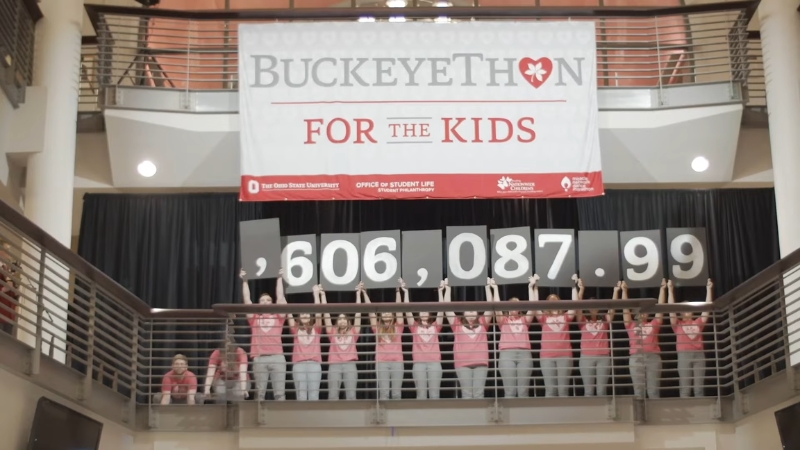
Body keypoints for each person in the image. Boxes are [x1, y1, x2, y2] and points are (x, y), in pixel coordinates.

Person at [241, 268, 287, 401]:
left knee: (280, 393)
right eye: (262, 300)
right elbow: (247, 301)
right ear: (259, 304)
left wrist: (279, 278)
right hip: (260, 358)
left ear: (272, 303)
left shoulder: (278, 317)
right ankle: (259, 421)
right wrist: (244, 281)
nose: (266, 302)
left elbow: (280, 298)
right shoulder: (254, 318)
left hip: (277, 357)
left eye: (268, 300)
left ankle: (281, 419)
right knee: (260, 393)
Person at [443, 278, 493, 399]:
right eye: (468, 311)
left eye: (473, 310)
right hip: (462, 364)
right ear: (464, 313)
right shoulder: (457, 323)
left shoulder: (483, 322)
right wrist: (448, 289)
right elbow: (447, 308)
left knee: (478, 393)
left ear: (477, 313)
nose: (471, 313)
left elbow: (491, 307)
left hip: (481, 363)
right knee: (466, 394)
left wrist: (488, 287)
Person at [533, 274, 577, 397]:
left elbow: (575, 305)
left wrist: (574, 286)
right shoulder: (544, 318)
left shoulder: (566, 317)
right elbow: (534, 306)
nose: (553, 300)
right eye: (550, 298)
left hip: (565, 355)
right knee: (550, 390)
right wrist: (535, 286)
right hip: (547, 356)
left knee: (563, 390)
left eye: (555, 298)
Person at [668, 278, 713, 398]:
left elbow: (707, 309)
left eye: (689, 308)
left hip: (699, 355)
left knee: (699, 388)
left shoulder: (698, 322)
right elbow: (671, 310)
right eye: (684, 309)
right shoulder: (677, 324)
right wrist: (670, 290)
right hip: (684, 355)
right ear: (681, 312)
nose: (687, 311)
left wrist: (709, 289)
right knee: (685, 387)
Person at [492, 276, 536, 398]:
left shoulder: (524, 320)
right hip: (507, 354)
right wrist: (495, 288)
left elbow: (533, 307)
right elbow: (497, 307)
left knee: (523, 392)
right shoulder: (503, 320)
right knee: (509, 391)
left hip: (524, 354)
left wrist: (530, 287)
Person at [622, 279, 666, 399]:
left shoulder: (653, 324)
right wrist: (624, 291)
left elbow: (660, 309)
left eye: (645, 311)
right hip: (636, 358)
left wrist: (662, 289)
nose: (642, 314)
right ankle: (639, 417)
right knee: (638, 392)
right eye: (639, 312)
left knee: (653, 391)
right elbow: (625, 309)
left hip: (653, 357)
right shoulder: (631, 325)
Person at [403, 278, 444, 400]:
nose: (424, 312)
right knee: (421, 395)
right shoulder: (414, 326)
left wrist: (440, 292)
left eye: (426, 310)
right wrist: (405, 292)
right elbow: (407, 311)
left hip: (435, 363)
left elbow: (442, 310)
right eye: (422, 310)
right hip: (419, 363)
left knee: (434, 395)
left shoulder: (436, 326)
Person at [576, 279, 618, 397]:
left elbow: (613, 307)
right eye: (590, 306)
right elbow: (576, 305)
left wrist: (615, 291)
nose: (593, 308)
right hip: (586, 357)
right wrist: (581, 289)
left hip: (603, 356)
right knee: (588, 391)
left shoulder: (604, 318)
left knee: (601, 391)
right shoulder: (583, 319)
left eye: (595, 305)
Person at [322, 282, 362, 401]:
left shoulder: (354, 331)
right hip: (334, 365)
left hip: (350, 365)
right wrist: (323, 295)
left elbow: (358, 313)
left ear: (349, 322)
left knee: (351, 395)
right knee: (333, 395)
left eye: (345, 319)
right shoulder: (332, 331)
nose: (342, 321)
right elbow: (326, 314)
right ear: (337, 322)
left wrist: (358, 294)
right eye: (340, 319)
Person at [365, 283, 405, 400]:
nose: (386, 313)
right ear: (381, 316)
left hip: (397, 363)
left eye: (389, 312)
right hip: (381, 363)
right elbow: (370, 311)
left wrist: (398, 291)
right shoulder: (376, 327)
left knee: (397, 393)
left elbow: (399, 309)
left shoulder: (399, 326)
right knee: (384, 393)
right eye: (384, 312)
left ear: (393, 315)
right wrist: (364, 293)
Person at [288, 285, 323, 401]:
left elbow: (319, 312)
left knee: (314, 396)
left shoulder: (316, 328)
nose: (305, 315)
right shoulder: (295, 329)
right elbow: (287, 312)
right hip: (299, 365)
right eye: (302, 314)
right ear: (298, 317)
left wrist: (316, 294)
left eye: (307, 313)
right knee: (301, 396)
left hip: (314, 365)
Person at [202, 335, 249, 403]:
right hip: (222, 379)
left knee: (238, 394)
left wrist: (243, 388)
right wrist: (207, 390)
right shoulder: (217, 353)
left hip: (239, 379)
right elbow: (210, 373)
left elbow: (243, 372)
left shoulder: (240, 352)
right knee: (220, 393)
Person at [0, 241, 20, 335]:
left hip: (9, 314)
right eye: (7, 249)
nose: (9, 252)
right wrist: (4, 289)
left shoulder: (7, 269)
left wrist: (15, 292)